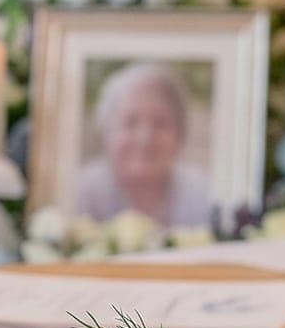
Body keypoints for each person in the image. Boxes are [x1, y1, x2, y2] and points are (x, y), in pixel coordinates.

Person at [73, 61, 211, 229]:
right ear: (106, 130)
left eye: (160, 123)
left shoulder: (201, 193)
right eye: (130, 123)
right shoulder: (82, 191)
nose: (145, 138)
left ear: (180, 133)